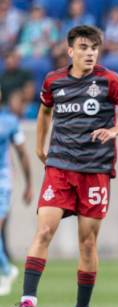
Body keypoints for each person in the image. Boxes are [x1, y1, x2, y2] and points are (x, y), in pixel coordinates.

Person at [10, 25, 118, 307]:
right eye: (83, 48)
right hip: (59, 168)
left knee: (87, 243)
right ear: (70, 51)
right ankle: (28, 299)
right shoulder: (53, 81)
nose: (89, 53)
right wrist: (38, 145)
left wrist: (113, 131)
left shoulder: (110, 81)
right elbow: (45, 112)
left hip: (95, 172)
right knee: (44, 230)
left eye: (94, 48)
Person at [0, 89, 32, 296]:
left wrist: (29, 184)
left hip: (2, 182)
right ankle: (6, 269)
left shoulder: (10, 121)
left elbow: (22, 153)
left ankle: (6, 270)